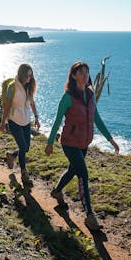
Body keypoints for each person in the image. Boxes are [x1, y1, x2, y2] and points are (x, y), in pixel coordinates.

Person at [45, 61, 119, 230]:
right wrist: (50, 143)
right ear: (73, 76)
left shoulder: (90, 94)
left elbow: (97, 119)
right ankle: (90, 215)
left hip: (84, 142)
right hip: (69, 143)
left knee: (73, 170)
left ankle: (57, 191)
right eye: (80, 72)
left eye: (86, 72)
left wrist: (111, 140)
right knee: (83, 174)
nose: (85, 75)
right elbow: (57, 121)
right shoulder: (68, 97)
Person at [0, 63, 40, 186]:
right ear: (21, 74)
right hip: (14, 121)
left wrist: (36, 118)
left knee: (26, 147)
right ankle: (24, 173)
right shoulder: (12, 87)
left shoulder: (29, 87)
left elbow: (32, 103)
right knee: (23, 147)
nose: (28, 78)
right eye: (26, 76)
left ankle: (12, 155)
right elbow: (7, 106)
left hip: (26, 122)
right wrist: (3, 122)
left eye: (30, 76)